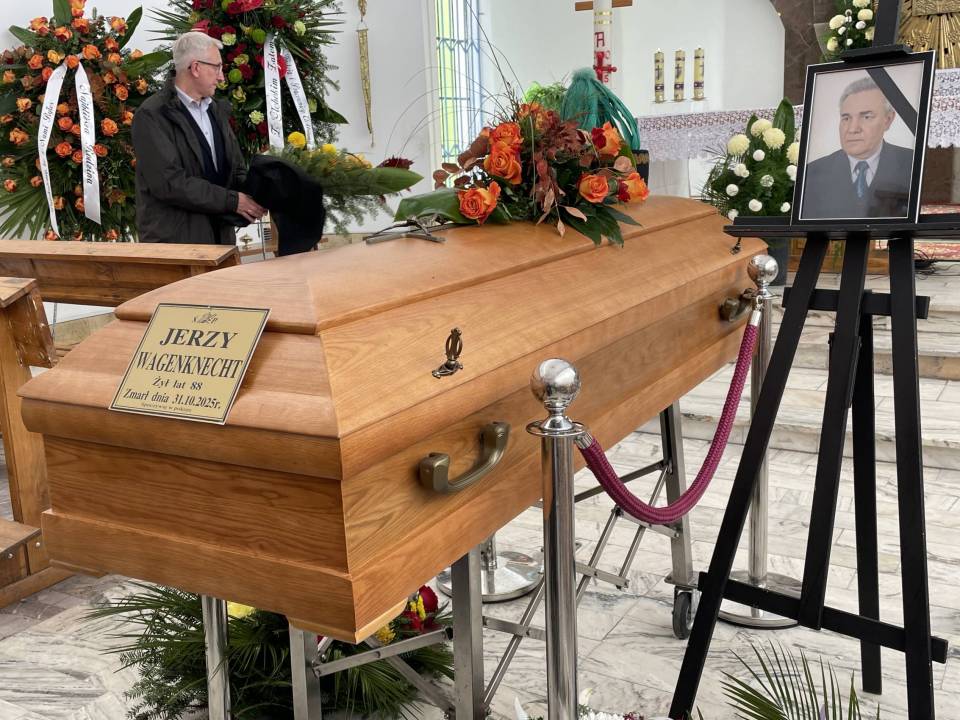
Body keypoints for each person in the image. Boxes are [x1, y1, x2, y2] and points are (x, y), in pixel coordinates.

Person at [132, 32, 265, 244]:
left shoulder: (217, 110)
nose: (221, 77)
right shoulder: (152, 115)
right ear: (195, 68)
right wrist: (232, 201)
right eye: (217, 67)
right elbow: (169, 183)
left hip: (220, 241)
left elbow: (235, 169)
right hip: (177, 246)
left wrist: (264, 193)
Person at [801, 76, 914, 220]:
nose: (853, 129)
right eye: (846, 118)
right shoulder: (812, 173)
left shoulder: (912, 163)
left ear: (888, 120)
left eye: (866, 117)